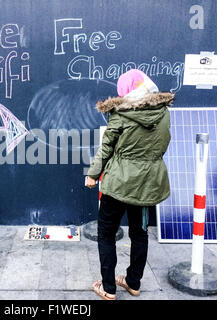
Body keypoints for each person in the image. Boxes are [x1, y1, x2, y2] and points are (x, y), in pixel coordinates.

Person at [86, 69, 174, 300]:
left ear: (125, 91)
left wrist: (93, 174)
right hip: (147, 184)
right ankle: (133, 283)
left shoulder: (120, 113)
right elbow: (164, 143)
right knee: (140, 234)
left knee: (106, 234)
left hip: (117, 183)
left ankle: (108, 288)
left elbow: (106, 148)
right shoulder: (163, 112)